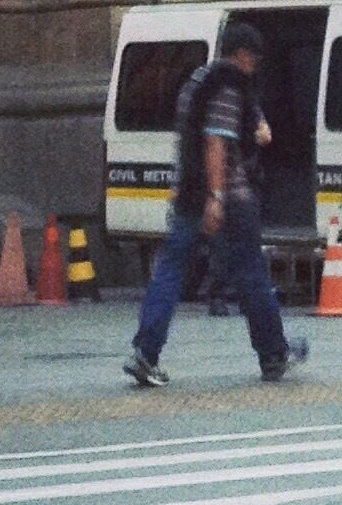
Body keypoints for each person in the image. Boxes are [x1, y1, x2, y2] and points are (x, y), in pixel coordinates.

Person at [126, 24, 307, 387]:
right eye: (253, 59)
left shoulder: (194, 81)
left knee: (169, 271)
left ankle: (145, 352)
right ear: (242, 54)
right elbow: (215, 141)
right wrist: (217, 197)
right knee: (251, 274)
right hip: (227, 198)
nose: (255, 66)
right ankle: (274, 354)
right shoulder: (227, 86)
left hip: (187, 193)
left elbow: (193, 136)